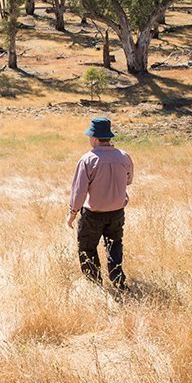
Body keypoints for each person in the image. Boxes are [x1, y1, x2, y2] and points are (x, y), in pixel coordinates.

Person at [66, 117, 134, 289]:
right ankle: (118, 280)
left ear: (95, 138)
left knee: (87, 247)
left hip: (93, 214)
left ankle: (95, 284)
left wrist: (72, 214)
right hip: (117, 212)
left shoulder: (87, 160)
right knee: (114, 245)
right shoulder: (124, 157)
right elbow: (129, 180)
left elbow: (79, 190)